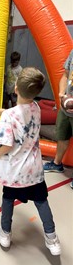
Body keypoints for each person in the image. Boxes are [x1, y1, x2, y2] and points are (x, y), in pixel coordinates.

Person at [0, 67, 61, 255]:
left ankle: (5, 234)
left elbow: (6, 145)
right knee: (41, 201)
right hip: (34, 170)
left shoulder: (10, 116)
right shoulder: (37, 108)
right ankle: (52, 239)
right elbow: (14, 112)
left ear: (15, 88)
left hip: (15, 172)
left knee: (8, 199)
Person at [43, 49, 73, 189]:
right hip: (66, 108)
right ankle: (57, 164)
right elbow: (65, 75)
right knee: (62, 135)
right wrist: (61, 93)